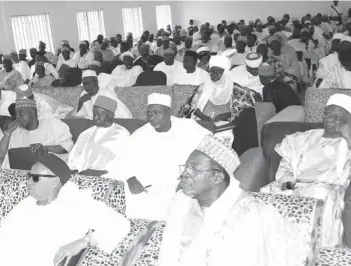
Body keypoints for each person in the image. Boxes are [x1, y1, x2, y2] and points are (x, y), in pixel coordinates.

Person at [157, 135, 305, 266]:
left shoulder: (248, 216)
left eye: (195, 170)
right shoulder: (180, 203)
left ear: (217, 177)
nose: (184, 174)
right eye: (186, 168)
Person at [0, 154, 130, 266]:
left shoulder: (76, 202)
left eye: (35, 178)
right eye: (29, 176)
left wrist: (83, 242)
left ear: (55, 181)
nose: (28, 182)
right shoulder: (26, 204)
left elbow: (120, 224)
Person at [261, 94, 351, 248]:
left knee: (319, 194)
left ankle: (313, 252)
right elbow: (286, 165)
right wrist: (286, 181)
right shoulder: (303, 138)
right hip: (295, 187)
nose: (329, 119)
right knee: (264, 193)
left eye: (337, 118)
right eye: (327, 114)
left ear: (347, 122)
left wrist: (348, 137)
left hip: (326, 191)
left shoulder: (346, 144)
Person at [106, 93, 211, 220]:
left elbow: (211, 144)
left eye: (157, 113)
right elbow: (123, 159)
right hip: (147, 187)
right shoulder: (141, 134)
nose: (152, 118)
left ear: (169, 112)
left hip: (181, 185)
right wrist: (130, 178)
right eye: (149, 113)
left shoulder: (187, 127)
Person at [0, 98, 74, 169]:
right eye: (17, 114)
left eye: (21, 113)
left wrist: (45, 148)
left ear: (32, 113)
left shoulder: (53, 124)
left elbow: (67, 147)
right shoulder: (15, 131)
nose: (18, 117)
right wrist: (8, 132)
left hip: (49, 174)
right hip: (21, 174)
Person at [67, 96, 130, 174]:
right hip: (83, 176)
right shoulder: (86, 133)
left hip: (107, 178)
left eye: (99, 115)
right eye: (94, 114)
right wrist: (75, 170)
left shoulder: (121, 134)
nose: (95, 117)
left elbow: (123, 162)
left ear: (110, 115)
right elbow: (75, 156)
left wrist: (98, 173)